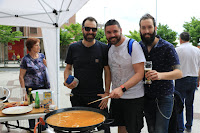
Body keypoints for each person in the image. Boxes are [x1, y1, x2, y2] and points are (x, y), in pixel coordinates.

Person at [64, 17, 111, 133]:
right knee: (81, 129)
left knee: (104, 129)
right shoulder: (73, 48)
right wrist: (66, 80)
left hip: (98, 98)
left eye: (93, 29)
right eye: (87, 29)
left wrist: (107, 93)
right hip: (77, 97)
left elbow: (107, 71)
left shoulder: (103, 48)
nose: (90, 32)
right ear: (82, 29)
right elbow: (68, 68)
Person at [139, 13, 182, 133]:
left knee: (160, 130)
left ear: (155, 28)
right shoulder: (139, 46)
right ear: (140, 29)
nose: (146, 31)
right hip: (147, 97)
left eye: (149, 27)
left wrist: (160, 75)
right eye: (143, 28)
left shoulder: (167, 47)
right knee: (151, 130)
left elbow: (179, 73)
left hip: (164, 97)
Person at [105, 19, 146, 133]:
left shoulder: (132, 45)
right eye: (108, 32)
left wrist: (122, 88)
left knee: (133, 129)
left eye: (115, 31)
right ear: (105, 34)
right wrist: (107, 91)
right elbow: (108, 71)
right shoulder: (109, 48)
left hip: (133, 98)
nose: (112, 35)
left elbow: (140, 73)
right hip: (117, 97)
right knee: (121, 127)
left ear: (121, 30)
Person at [19, 38, 50, 131]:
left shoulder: (41, 56)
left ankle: (44, 128)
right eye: (36, 45)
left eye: (38, 45)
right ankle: (33, 128)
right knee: (32, 110)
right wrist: (24, 92)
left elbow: (48, 69)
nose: (39, 47)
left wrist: (47, 64)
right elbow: (21, 77)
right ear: (31, 47)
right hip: (30, 89)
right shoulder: (25, 60)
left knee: (44, 109)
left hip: (43, 88)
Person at [175, 32, 200, 133]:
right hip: (193, 78)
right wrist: (198, 80)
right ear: (189, 39)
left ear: (180, 39)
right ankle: (189, 125)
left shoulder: (177, 50)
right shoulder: (197, 50)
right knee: (190, 104)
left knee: (179, 104)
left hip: (181, 78)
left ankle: (180, 128)